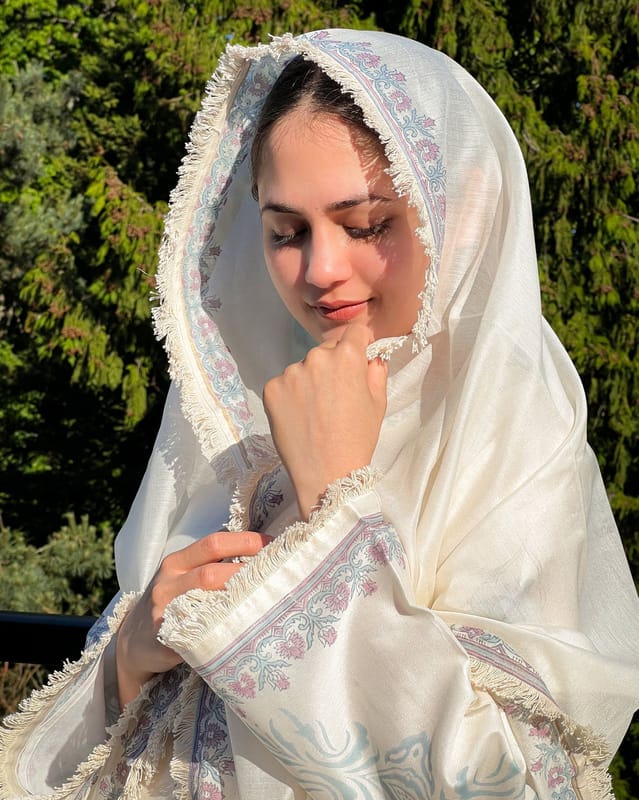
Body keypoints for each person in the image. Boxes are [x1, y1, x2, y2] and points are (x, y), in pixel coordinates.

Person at [1, 27, 638, 800]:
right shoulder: (246, 435)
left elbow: (507, 782)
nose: (321, 270)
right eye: (286, 231)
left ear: (464, 211)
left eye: (366, 224)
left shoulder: (512, 449)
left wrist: (337, 506)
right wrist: (125, 662)